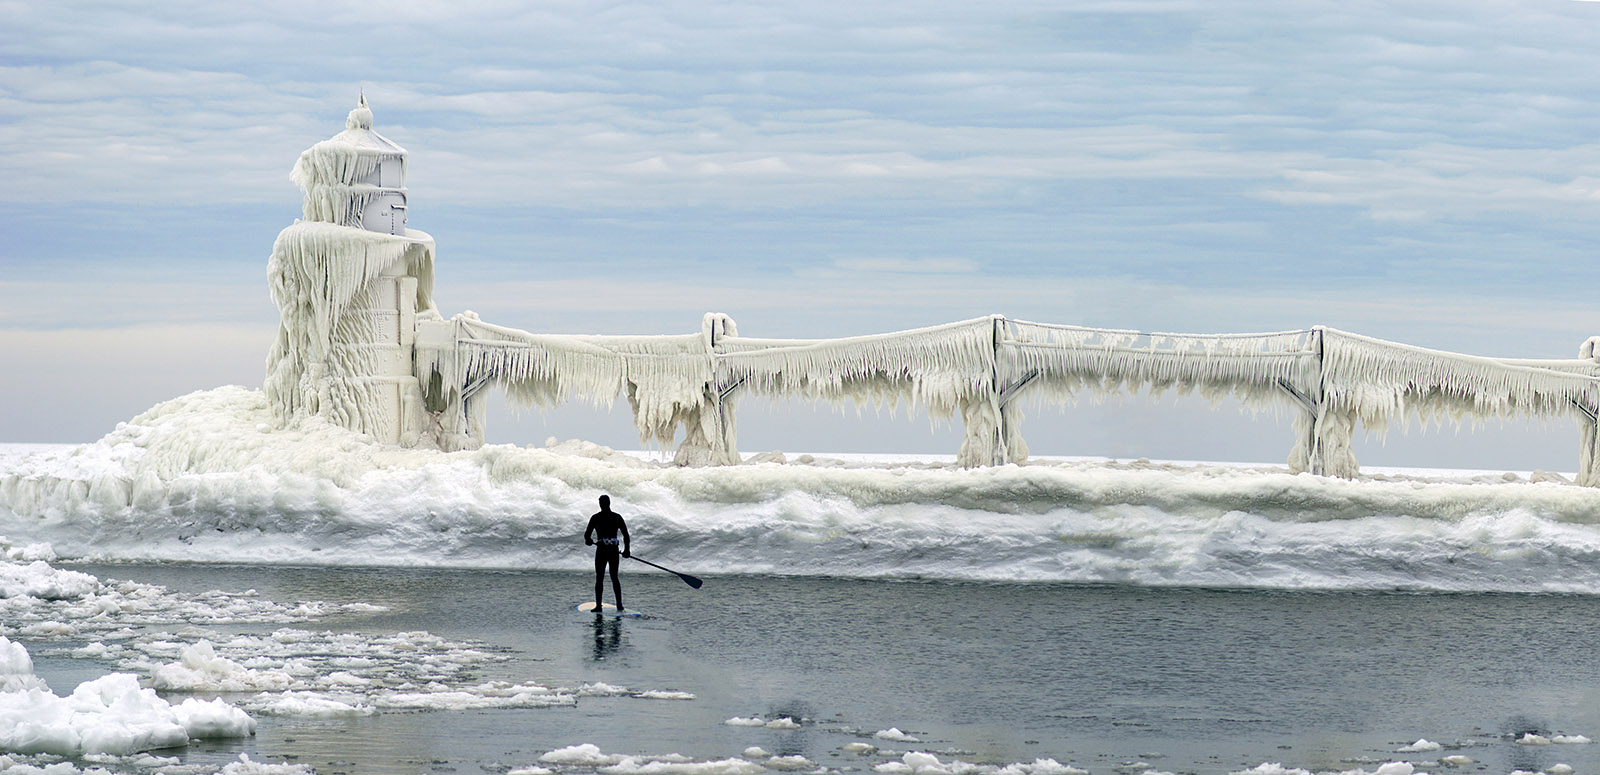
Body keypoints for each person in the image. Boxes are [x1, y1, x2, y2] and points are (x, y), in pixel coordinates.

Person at [584, 494, 630, 612]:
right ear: (609, 503)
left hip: (602, 551)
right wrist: (626, 550)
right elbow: (626, 535)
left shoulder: (595, 518)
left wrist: (589, 541)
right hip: (613, 551)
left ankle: (598, 606)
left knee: (599, 578)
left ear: (600, 504)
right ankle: (619, 605)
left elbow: (587, 536)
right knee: (614, 577)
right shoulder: (617, 517)